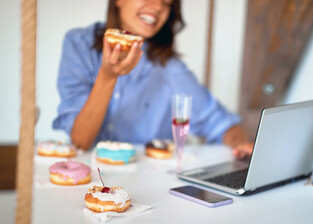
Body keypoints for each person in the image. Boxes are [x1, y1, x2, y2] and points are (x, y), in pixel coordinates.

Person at [53, 0, 252, 159]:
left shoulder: (168, 66)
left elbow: (221, 124)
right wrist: (107, 77)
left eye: (167, 3)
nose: (158, 7)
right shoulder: (79, 44)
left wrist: (241, 144)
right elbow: (80, 141)